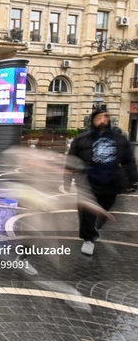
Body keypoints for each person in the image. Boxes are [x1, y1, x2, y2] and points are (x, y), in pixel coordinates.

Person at [64, 108, 138, 255]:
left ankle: (95, 228)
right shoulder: (82, 139)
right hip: (87, 182)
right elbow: (71, 161)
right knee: (87, 212)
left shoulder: (119, 139)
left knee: (103, 211)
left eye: (106, 117)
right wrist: (67, 181)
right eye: (99, 117)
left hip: (111, 182)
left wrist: (133, 180)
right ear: (92, 120)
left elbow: (128, 161)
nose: (103, 120)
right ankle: (88, 239)